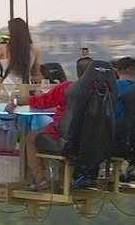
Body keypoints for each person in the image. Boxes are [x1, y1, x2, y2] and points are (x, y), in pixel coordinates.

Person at [7, 56, 92, 191]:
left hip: (64, 135)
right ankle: (70, 179)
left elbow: (42, 101)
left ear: (78, 72)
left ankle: (40, 180)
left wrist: (17, 101)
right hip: (90, 138)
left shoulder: (68, 88)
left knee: (30, 138)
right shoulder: (104, 92)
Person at [0, 17, 41, 83]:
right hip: (25, 86)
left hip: (8, 86)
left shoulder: (3, 48)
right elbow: (36, 73)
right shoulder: (34, 49)